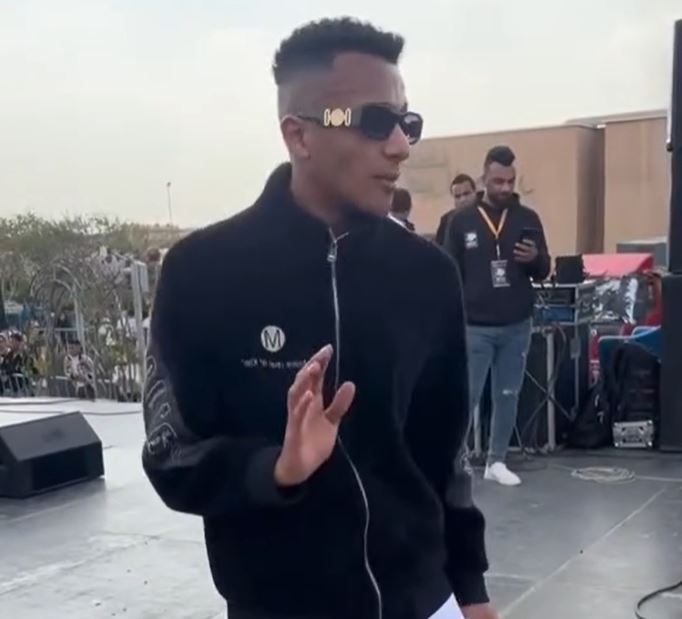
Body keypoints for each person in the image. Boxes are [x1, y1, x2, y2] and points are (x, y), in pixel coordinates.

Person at [142, 17, 496, 619]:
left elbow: (445, 452)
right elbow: (169, 451)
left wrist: (471, 589)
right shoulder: (202, 272)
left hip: (422, 599)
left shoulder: (428, 275)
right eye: (375, 121)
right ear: (299, 134)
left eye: (407, 122)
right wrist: (275, 468)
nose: (400, 145)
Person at [444, 146, 550, 486]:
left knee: (507, 394)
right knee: (467, 396)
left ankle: (497, 460)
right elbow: (449, 272)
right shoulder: (462, 221)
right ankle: (455, 461)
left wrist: (534, 259)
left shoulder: (527, 219)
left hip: (516, 322)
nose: (505, 188)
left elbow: (544, 269)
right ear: (484, 179)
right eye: (498, 181)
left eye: (510, 181)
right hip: (474, 324)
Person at [435, 174, 479, 245]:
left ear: (475, 192)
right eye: (457, 196)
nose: (463, 200)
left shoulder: (486, 215)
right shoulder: (447, 220)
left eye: (466, 194)